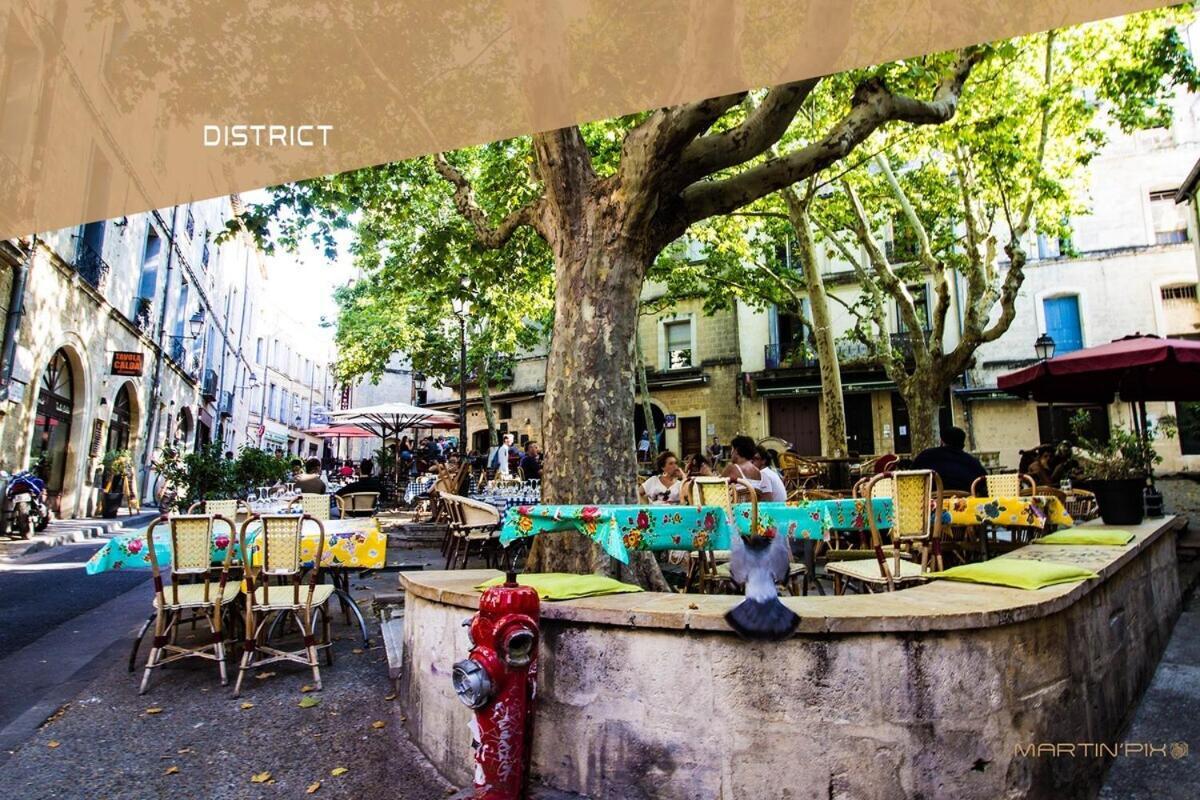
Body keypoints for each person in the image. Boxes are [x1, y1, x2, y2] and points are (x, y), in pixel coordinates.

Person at [912, 425, 986, 493]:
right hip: (964, 503)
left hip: (931, 503)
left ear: (942, 441)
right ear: (962, 445)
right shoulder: (972, 462)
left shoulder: (925, 456)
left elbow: (912, 477)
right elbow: (984, 484)